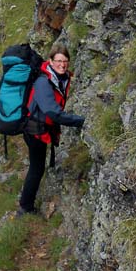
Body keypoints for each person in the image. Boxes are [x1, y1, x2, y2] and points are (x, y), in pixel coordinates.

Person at [18, 44, 84, 216]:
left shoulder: (60, 78)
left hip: (41, 127)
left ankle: (25, 204)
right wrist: (80, 121)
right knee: (37, 167)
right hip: (34, 130)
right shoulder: (42, 82)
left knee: (37, 165)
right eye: (58, 61)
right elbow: (52, 112)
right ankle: (25, 207)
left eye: (65, 61)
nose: (62, 65)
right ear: (50, 61)